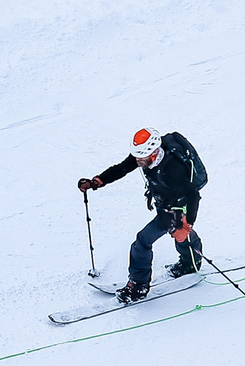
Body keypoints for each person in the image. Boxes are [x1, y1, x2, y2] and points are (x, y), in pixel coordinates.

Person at [79, 128, 209, 303]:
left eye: (142, 156)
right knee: (177, 235)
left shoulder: (173, 168)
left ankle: (138, 287)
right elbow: (123, 168)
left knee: (142, 242)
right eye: (136, 155)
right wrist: (98, 181)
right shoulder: (144, 157)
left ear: (154, 152)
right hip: (162, 204)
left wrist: (187, 223)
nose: (137, 160)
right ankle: (189, 264)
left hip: (177, 210)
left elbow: (193, 195)